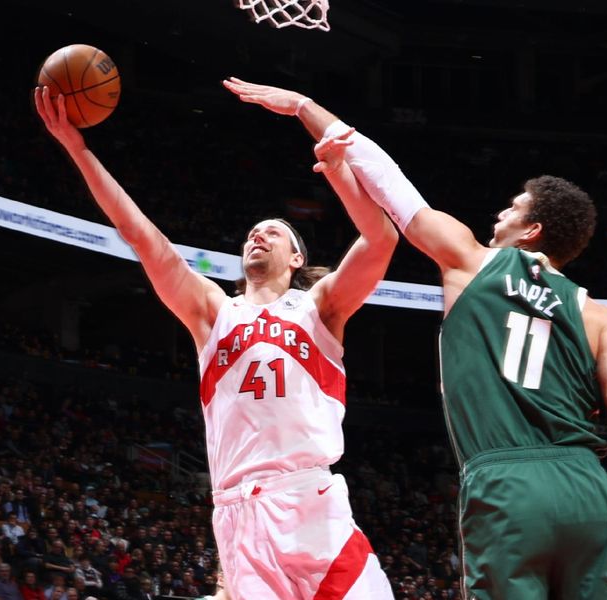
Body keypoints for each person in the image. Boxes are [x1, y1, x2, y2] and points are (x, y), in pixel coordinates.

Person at [222, 78, 607, 600]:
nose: (500, 214)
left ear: (532, 230)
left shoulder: (471, 262)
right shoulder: (603, 319)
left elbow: (390, 183)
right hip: (588, 486)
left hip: (507, 484)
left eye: (513, 208)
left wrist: (305, 108)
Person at [34, 85, 397, 600]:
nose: (258, 236)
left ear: (296, 259)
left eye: (273, 233)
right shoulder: (211, 312)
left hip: (309, 500)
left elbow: (381, 240)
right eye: (253, 232)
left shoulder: (320, 307)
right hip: (236, 513)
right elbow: (141, 235)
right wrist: (78, 149)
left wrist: (339, 171)